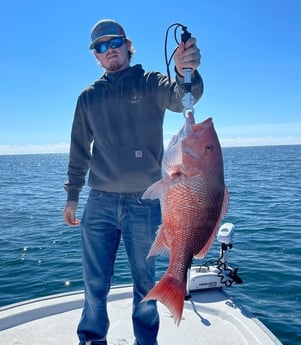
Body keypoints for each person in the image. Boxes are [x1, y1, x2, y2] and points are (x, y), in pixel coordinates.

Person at [63, 18, 203, 345]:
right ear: (96, 56)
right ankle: (92, 340)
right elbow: (79, 150)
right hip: (99, 203)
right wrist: (72, 196)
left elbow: (184, 96)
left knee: (145, 285)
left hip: (146, 203)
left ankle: (146, 342)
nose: (108, 50)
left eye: (114, 43)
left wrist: (188, 71)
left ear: (128, 45)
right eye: (100, 47)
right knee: (95, 284)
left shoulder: (150, 82)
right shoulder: (88, 98)